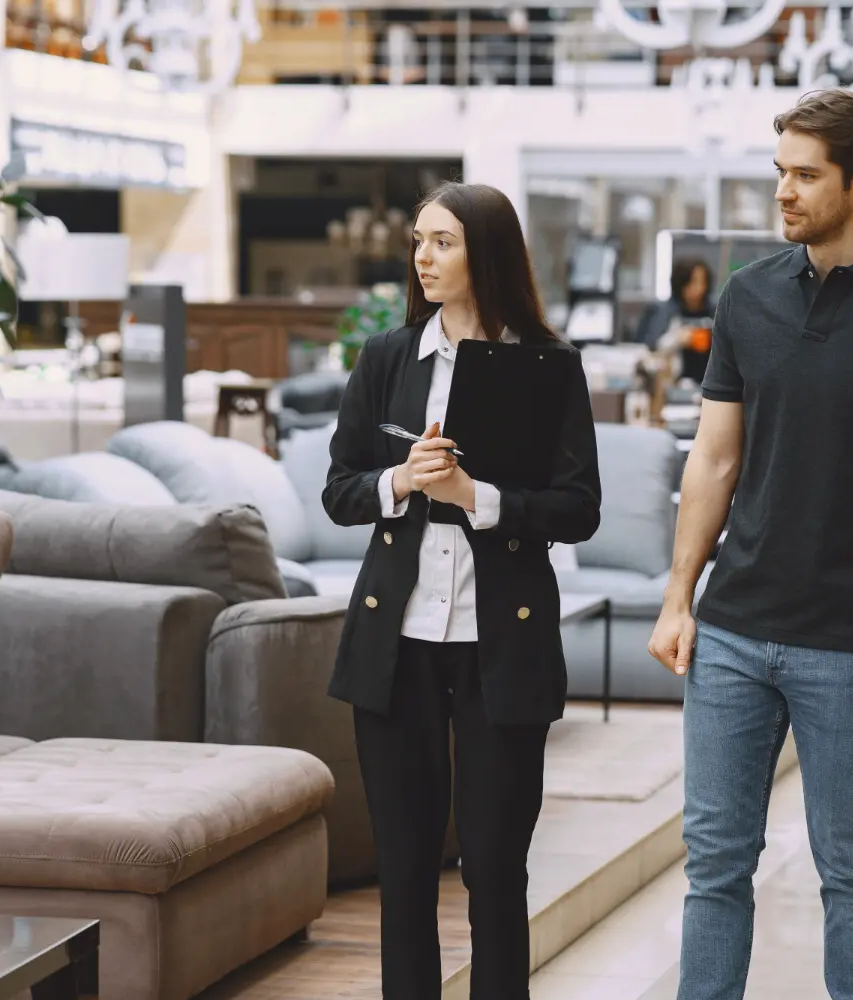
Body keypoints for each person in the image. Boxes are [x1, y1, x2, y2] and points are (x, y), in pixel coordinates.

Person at [646, 88, 853, 1000]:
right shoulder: (750, 296)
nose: (784, 194)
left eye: (806, 176)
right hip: (732, 629)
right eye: (780, 174)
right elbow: (714, 461)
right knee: (714, 866)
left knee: (849, 868)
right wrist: (680, 596)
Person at [322, 181, 601, 1000]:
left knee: (494, 868)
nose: (423, 258)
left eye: (442, 242)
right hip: (394, 646)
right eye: (418, 241)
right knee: (404, 871)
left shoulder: (549, 367)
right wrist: (401, 481)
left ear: (487, 252)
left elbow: (578, 509)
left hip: (500, 646)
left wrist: (477, 498)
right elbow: (340, 490)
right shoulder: (385, 358)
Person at [634, 258, 715, 382]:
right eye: (692, 282)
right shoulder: (663, 312)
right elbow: (648, 348)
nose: (699, 288)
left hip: (707, 381)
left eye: (702, 282)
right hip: (671, 381)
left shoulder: (714, 313)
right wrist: (677, 339)